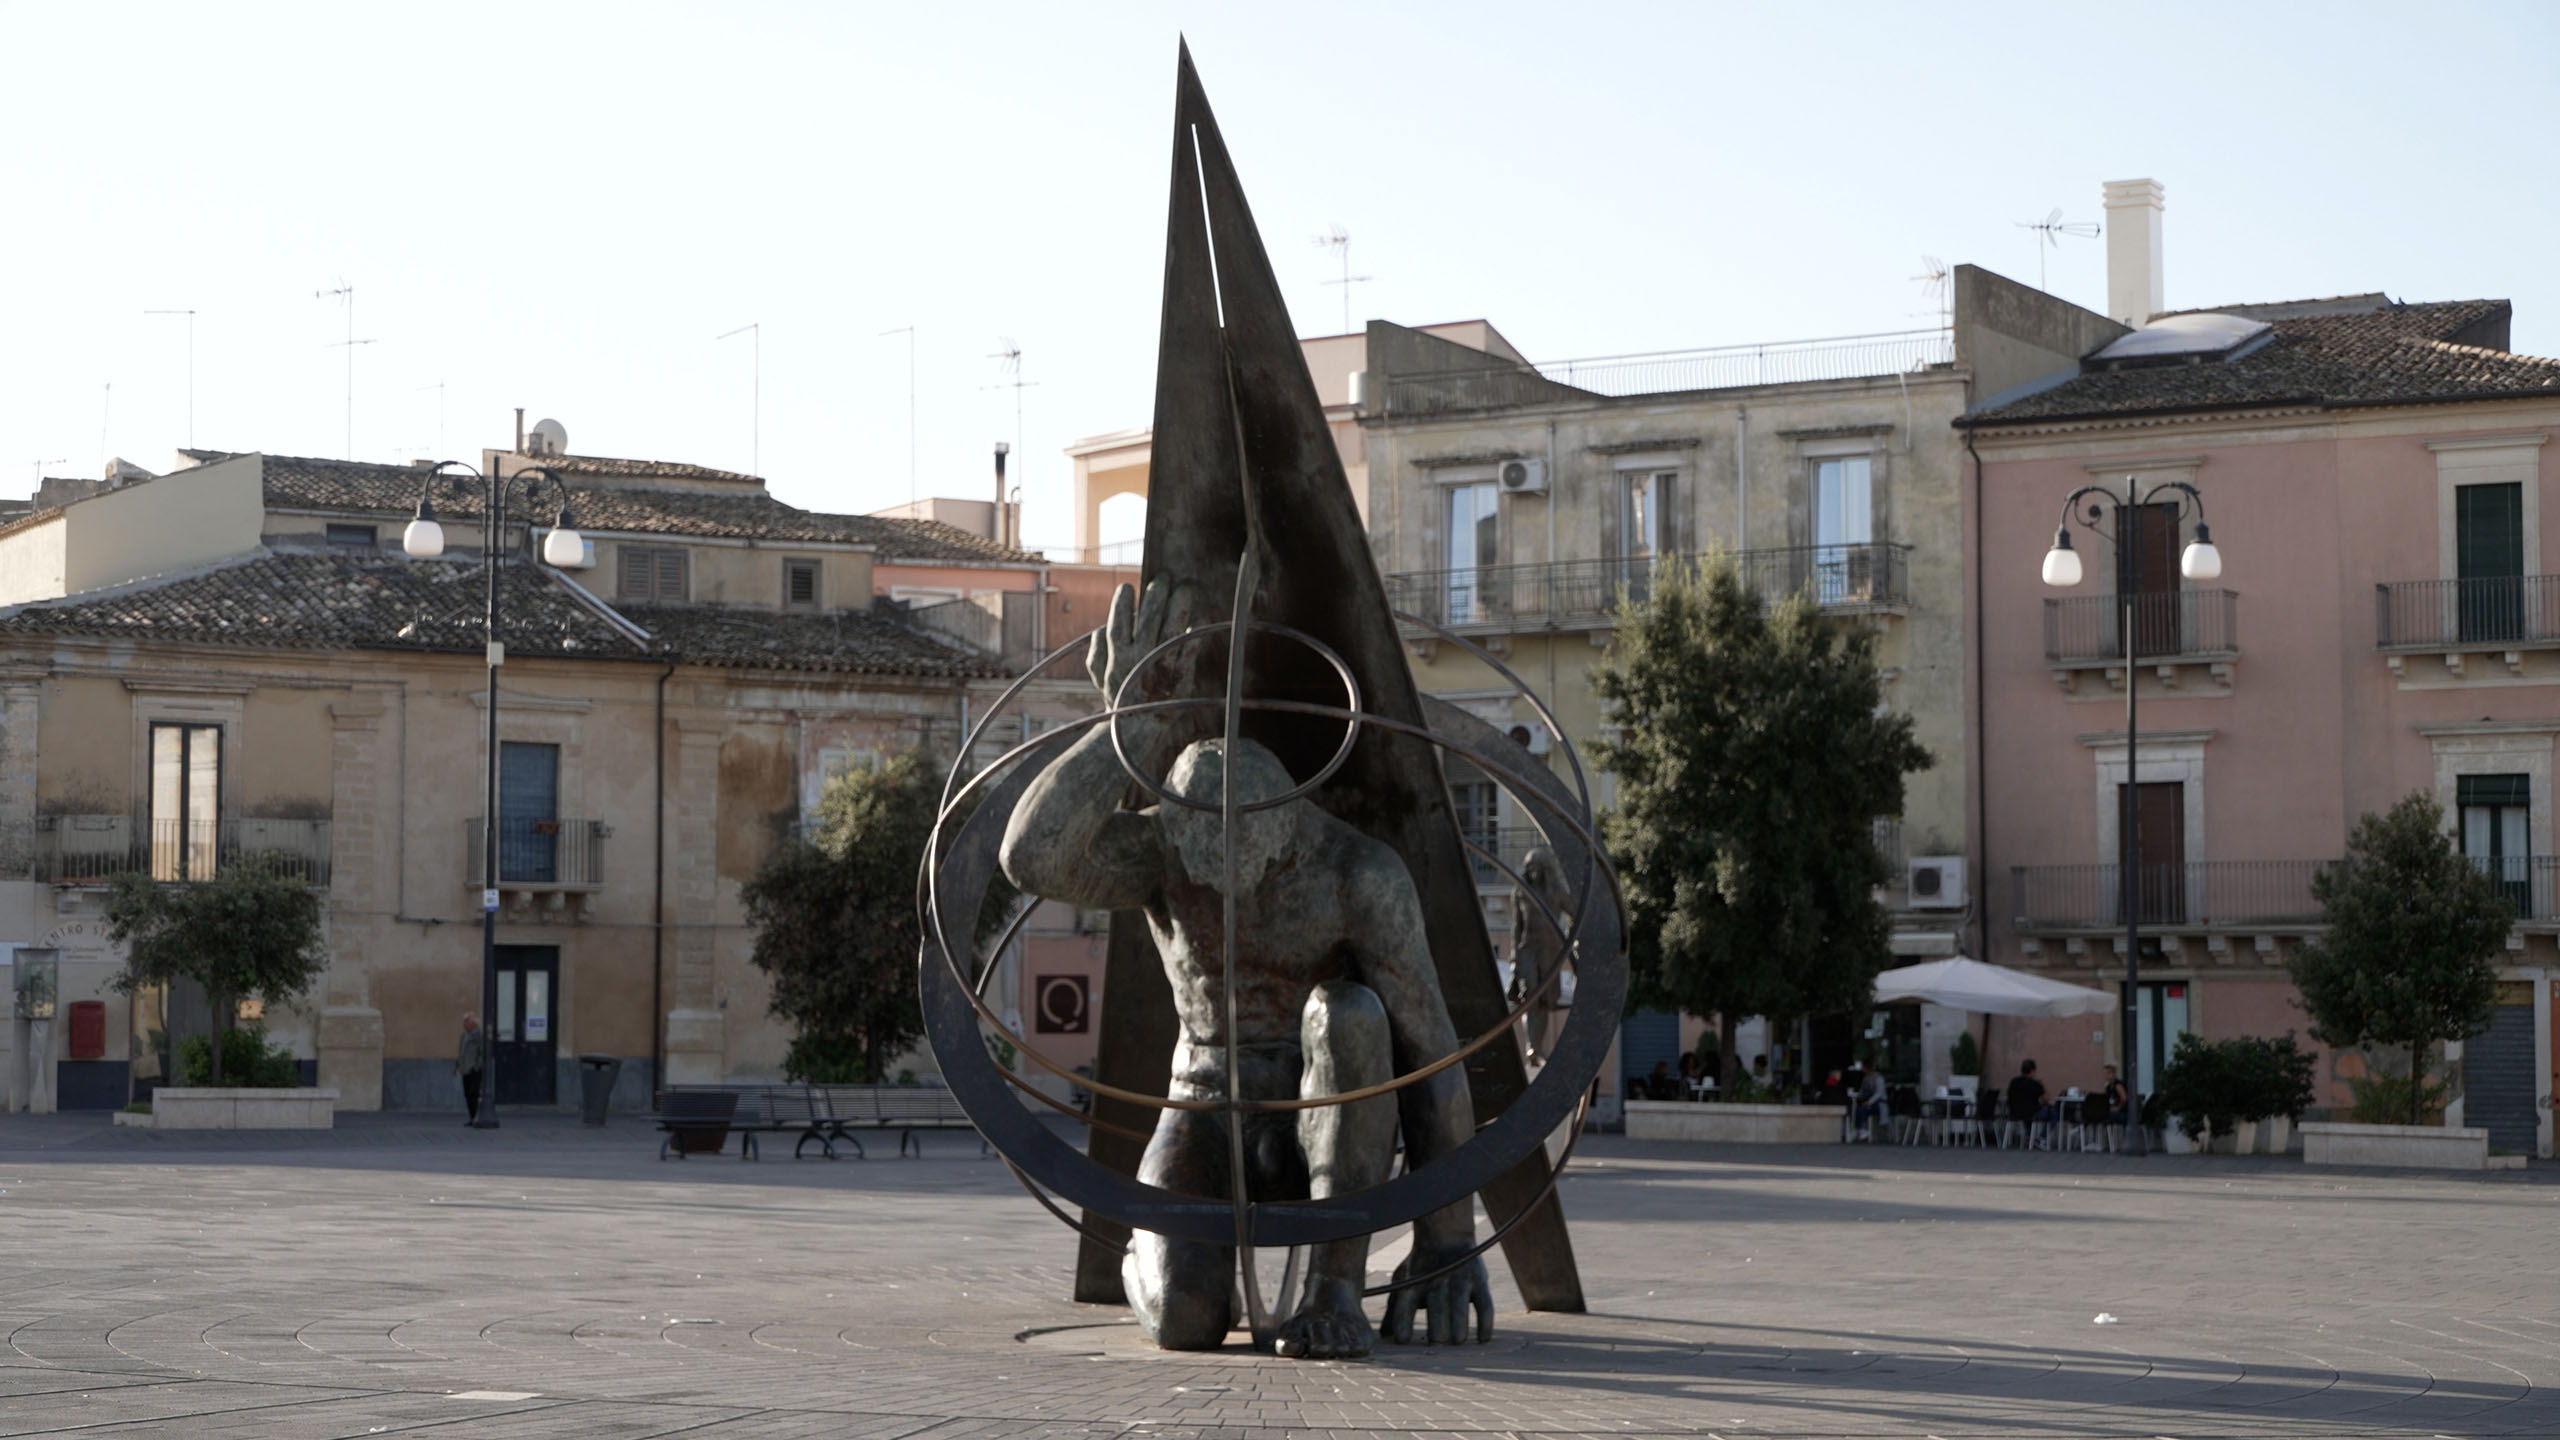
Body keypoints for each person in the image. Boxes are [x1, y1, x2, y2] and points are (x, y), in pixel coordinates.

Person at [1000, 577, 1491, 1361]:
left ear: (1283, 830)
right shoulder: (1165, 846)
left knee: (1349, 1013)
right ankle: (1165, 1267)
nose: (1221, 894)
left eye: (1244, 874)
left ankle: (1334, 1290)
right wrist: (1130, 722)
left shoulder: (1357, 876)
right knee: (1185, 1323)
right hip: (1203, 1107)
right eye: (1202, 871)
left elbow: (1431, 1049)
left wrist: (1448, 1239)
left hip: (1325, 1105)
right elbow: (1031, 857)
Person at [2005, 1058, 2054, 1146]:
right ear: (2032, 1071)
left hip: (2014, 1113)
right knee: (2054, 1113)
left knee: (2028, 1112)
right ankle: (2041, 1138)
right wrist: (2043, 1086)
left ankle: (2029, 1137)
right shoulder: (2035, 1084)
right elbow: (2046, 1099)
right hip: (2031, 1113)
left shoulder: (2014, 1082)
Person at [454, 1011, 485, 1125]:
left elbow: (482, 1052)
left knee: (474, 1093)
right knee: (467, 1094)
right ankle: (472, 1118)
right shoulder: (464, 1035)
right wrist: (456, 1066)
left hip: (474, 1069)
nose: (464, 1025)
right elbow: (461, 1052)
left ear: (473, 1023)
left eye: (466, 1022)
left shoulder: (479, 1034)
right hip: (465, 1069)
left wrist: (477, 1066)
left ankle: (476, 1117)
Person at [1852, 1062, 1889, 1141]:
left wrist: (1869, 1102)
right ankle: (1860, 1128)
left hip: (1879, 1104)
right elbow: (1862, 1091)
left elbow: (1879, 1093)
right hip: (1868, 1102)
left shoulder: (1878, 1078)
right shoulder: (1866, 1078)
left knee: (1862, 1109)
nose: (1861, 1069)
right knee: (1857, 1108)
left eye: (1863, 1067)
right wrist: (1855, 1096)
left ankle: (1861, 1129)